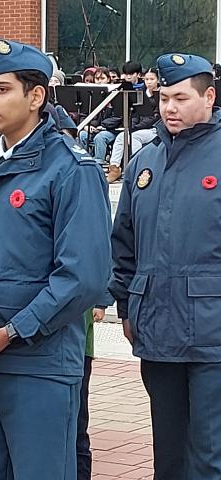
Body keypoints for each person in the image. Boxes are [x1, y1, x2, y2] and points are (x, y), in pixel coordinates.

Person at [0, 38, 111, 480]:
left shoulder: (70, 169)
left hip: (38, 362)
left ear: (36, 96)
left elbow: (82, 277)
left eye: (2, 89)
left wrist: (10, 332)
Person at [109, 53, 221, 480]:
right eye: (164, 98)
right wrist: (125, 305)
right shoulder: (145, 162)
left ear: (208, 96)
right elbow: (125, 243)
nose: (169, 108)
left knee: (210, 455)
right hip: (158, 329)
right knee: (169, 455)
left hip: (213, 335)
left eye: (180, 98)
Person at [107, 67, 160, 183]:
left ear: (158, 80)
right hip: (138, 127)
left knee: (134, 137)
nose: (149, 82)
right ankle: (114, 167)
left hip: (155, 129)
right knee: (122, 135)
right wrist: (131, 127)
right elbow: (135, 113)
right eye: (146, 79)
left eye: (152, 79)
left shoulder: (161, 95)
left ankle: (137, 167)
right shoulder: (139, 94)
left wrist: (135, 128)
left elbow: (155, 117)